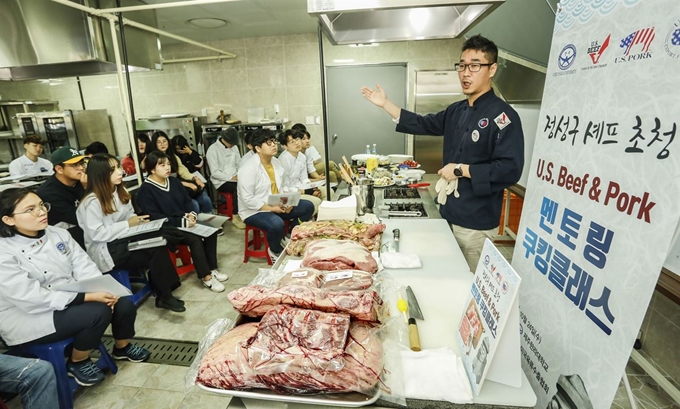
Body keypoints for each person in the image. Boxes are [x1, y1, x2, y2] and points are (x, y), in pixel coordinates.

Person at [360, 34, 524, 271]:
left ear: (492, 69)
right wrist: (387, 104)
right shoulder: (456, 110)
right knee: (446, 276)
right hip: (447, 213)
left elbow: (509, 170)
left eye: (475, 65)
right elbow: (422, 123)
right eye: (462, 65)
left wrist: (460, 170)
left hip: (474, 223)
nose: (466, 73)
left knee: (469, 286)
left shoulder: (504, 117)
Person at [0, 188, 151, 387]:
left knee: (123, 303)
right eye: (30, 210)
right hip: (28, 315)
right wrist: (87, 297)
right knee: (97, 312)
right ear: (8, 219)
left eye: (41, 205)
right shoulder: (4, 251)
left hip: (68, 295)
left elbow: (83, 265)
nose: (41, 212)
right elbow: (30, 297)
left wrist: (102, 290)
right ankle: (77, 361)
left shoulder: (57, 233)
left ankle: (122, 347)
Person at [76, 154, 185, 312]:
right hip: (107, 250)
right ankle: (165, 294)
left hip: (124, 239)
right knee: (155, 248)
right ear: (100, 175)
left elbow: (130, 214)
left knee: (161, 236)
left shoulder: (119, 191)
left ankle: (165, 291)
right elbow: (98, 234)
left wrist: (138, 222)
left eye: (119, 167)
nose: (120, 172)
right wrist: (127, 224)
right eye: (113, 170)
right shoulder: (90, 203)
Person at [136, 151, 228, 293]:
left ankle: (211, 268)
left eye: (168, 164)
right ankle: (206, 277)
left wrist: (191, 214)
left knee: (212, 230)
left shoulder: (173, 182)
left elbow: (187, 201)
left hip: (184, 221)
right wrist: (182, 222)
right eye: (162, 165)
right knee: (195, 239)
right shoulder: (145, 191)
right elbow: (157, 218)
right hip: (166, 228)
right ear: (152, 169)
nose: (167, 168)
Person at [237, 129, 315, 263]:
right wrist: (272, 208)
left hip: (276, 203)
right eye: (268, 143)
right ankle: (275, 251)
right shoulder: (248, 168)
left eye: (273, 141)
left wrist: (287, 202)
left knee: (308, 207)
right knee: (276, 224)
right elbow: (247, 198)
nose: (274, 145)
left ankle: (289, 236)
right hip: (254, 210)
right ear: (258, 148)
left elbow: (283, 187)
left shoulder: (276, 163)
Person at [36, 146, 87, 249]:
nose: (81, 168)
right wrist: (87, 189)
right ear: (59, 169)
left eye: (82, 163)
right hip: (65, 239)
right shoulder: (49, 193)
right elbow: (82, 219)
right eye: (74, 165)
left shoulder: (82, 180)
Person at [149, 131, 212, 214]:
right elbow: (164, 180)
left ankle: (210, 223)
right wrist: (187, 184)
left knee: (205, 200)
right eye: (159, 142)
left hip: (179, 187)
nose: (162, 144)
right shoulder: (152, 159)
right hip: (169, 192)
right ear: (154, 144)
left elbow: (183, 170)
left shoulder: (173, 156)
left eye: (164, 141)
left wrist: (195, 178)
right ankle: (193, 224)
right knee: (194, 205)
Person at [206, 127, 245, 229]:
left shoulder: (234, 147)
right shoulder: (212, 150)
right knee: (238, 188)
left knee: (247, 184)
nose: (232, 145)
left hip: (235, 177)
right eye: (230, 143)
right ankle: (236, 216)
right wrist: (231, 178)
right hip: (221, 181)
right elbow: (214, 172)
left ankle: (245, 213)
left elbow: (239, 163)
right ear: (224, 139)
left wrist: (240, 174)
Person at [277, 129, 324, 214]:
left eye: (297, 139)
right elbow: (285, 187)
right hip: (291, 193)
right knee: (316, 201)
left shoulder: (302, 156)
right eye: (292, 142)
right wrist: (306, 192)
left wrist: (312, 188)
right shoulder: (283, 159)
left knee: (327, 191)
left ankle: (322, 220)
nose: (297, 143)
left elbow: (304, 179)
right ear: (285, 146)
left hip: (302, 187)